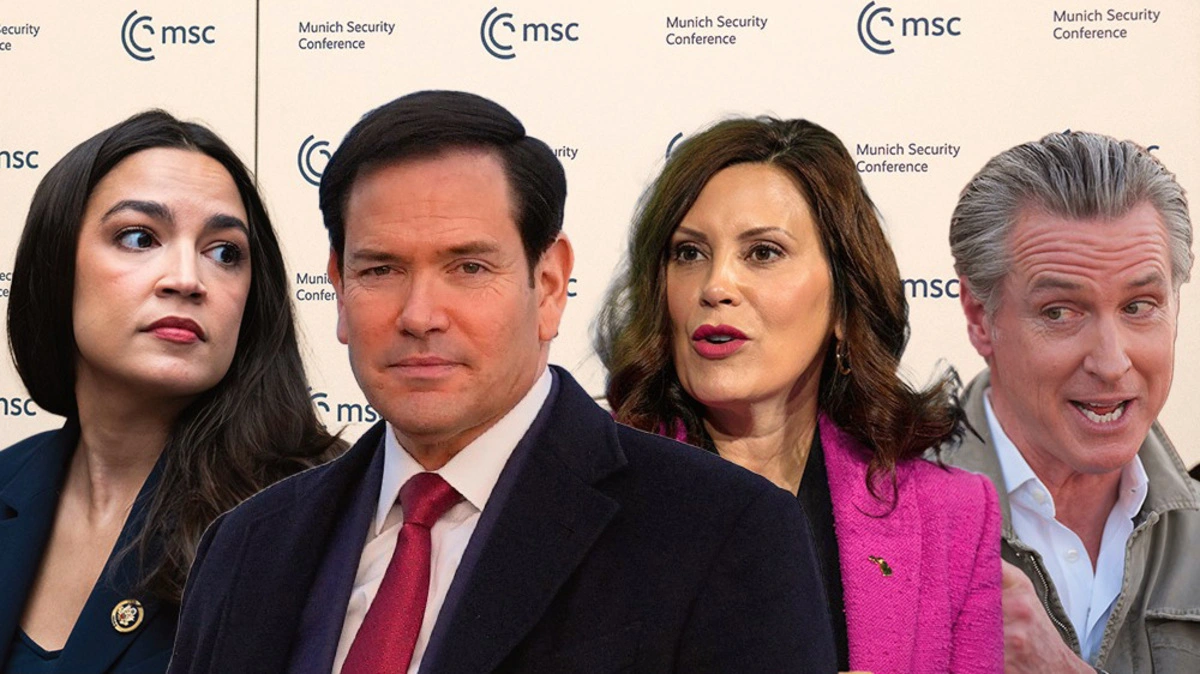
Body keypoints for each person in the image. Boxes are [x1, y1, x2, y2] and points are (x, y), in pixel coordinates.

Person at [167, 91, 836, 674]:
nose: (419, 315)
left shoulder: (723, 534)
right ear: (339, 289)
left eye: (468, 268)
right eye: (381, 270)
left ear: (548, 285)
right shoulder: (246, 548)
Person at [595, 116, 1002, 674]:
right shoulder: (585, 495)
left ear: (844, 302)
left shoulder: (952, 515)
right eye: (688, 253)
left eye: (763, 253)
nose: (715, 286)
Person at [0, 110, 343, 673]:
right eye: (139, 238)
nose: (187, 279)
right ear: (56, 265)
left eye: (224, 252)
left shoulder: (312, 512)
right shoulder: (9, 480)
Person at [944, 130, 1200, 673]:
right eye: (1060, 312)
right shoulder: (879, 524)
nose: (1110, 362)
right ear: (979, 317)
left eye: (1139, 306)